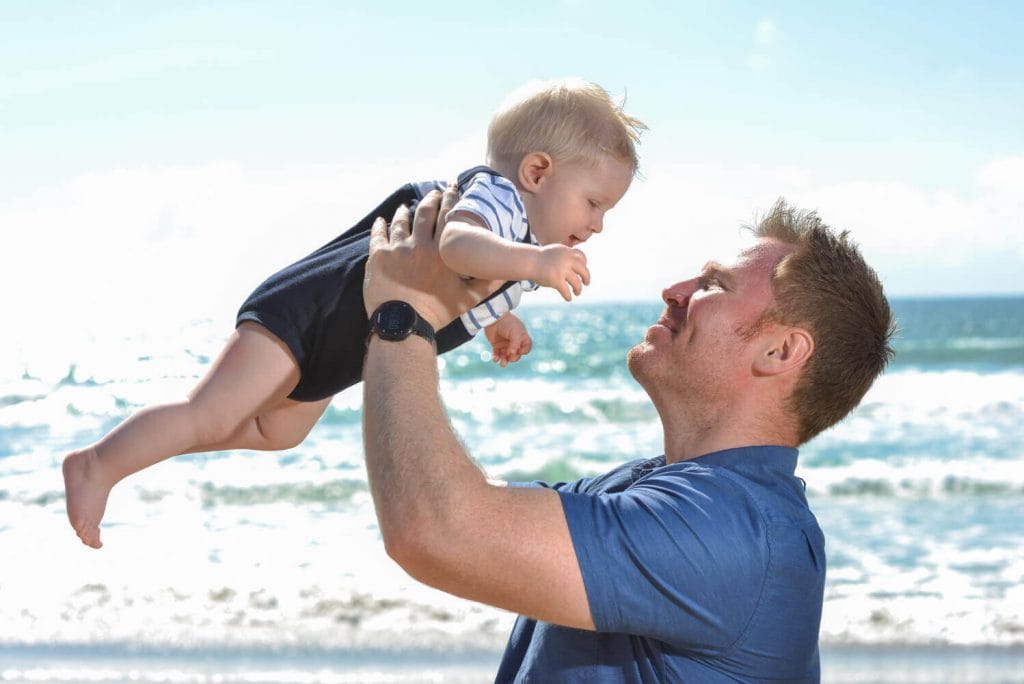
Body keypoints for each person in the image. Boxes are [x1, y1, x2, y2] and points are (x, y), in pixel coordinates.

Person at [63, 78, 646, 549]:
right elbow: (455, 248)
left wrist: (500, 318)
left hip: (342, 348)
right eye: (594, 203)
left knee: (276, 430)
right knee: (208, 414)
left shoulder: (516, 239)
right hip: (309, 313)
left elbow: (467, 279)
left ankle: (144, 446)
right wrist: (536, 263)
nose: (597, 223)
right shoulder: (495, 199)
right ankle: (97, 464)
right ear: (536, 172)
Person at [360, 189, 896, 682]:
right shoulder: (653, 487)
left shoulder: (738, 532)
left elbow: (434, 529)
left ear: (780, 352)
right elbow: (463, 506)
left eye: (713, 285)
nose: (675, 290)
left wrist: (402, 314)